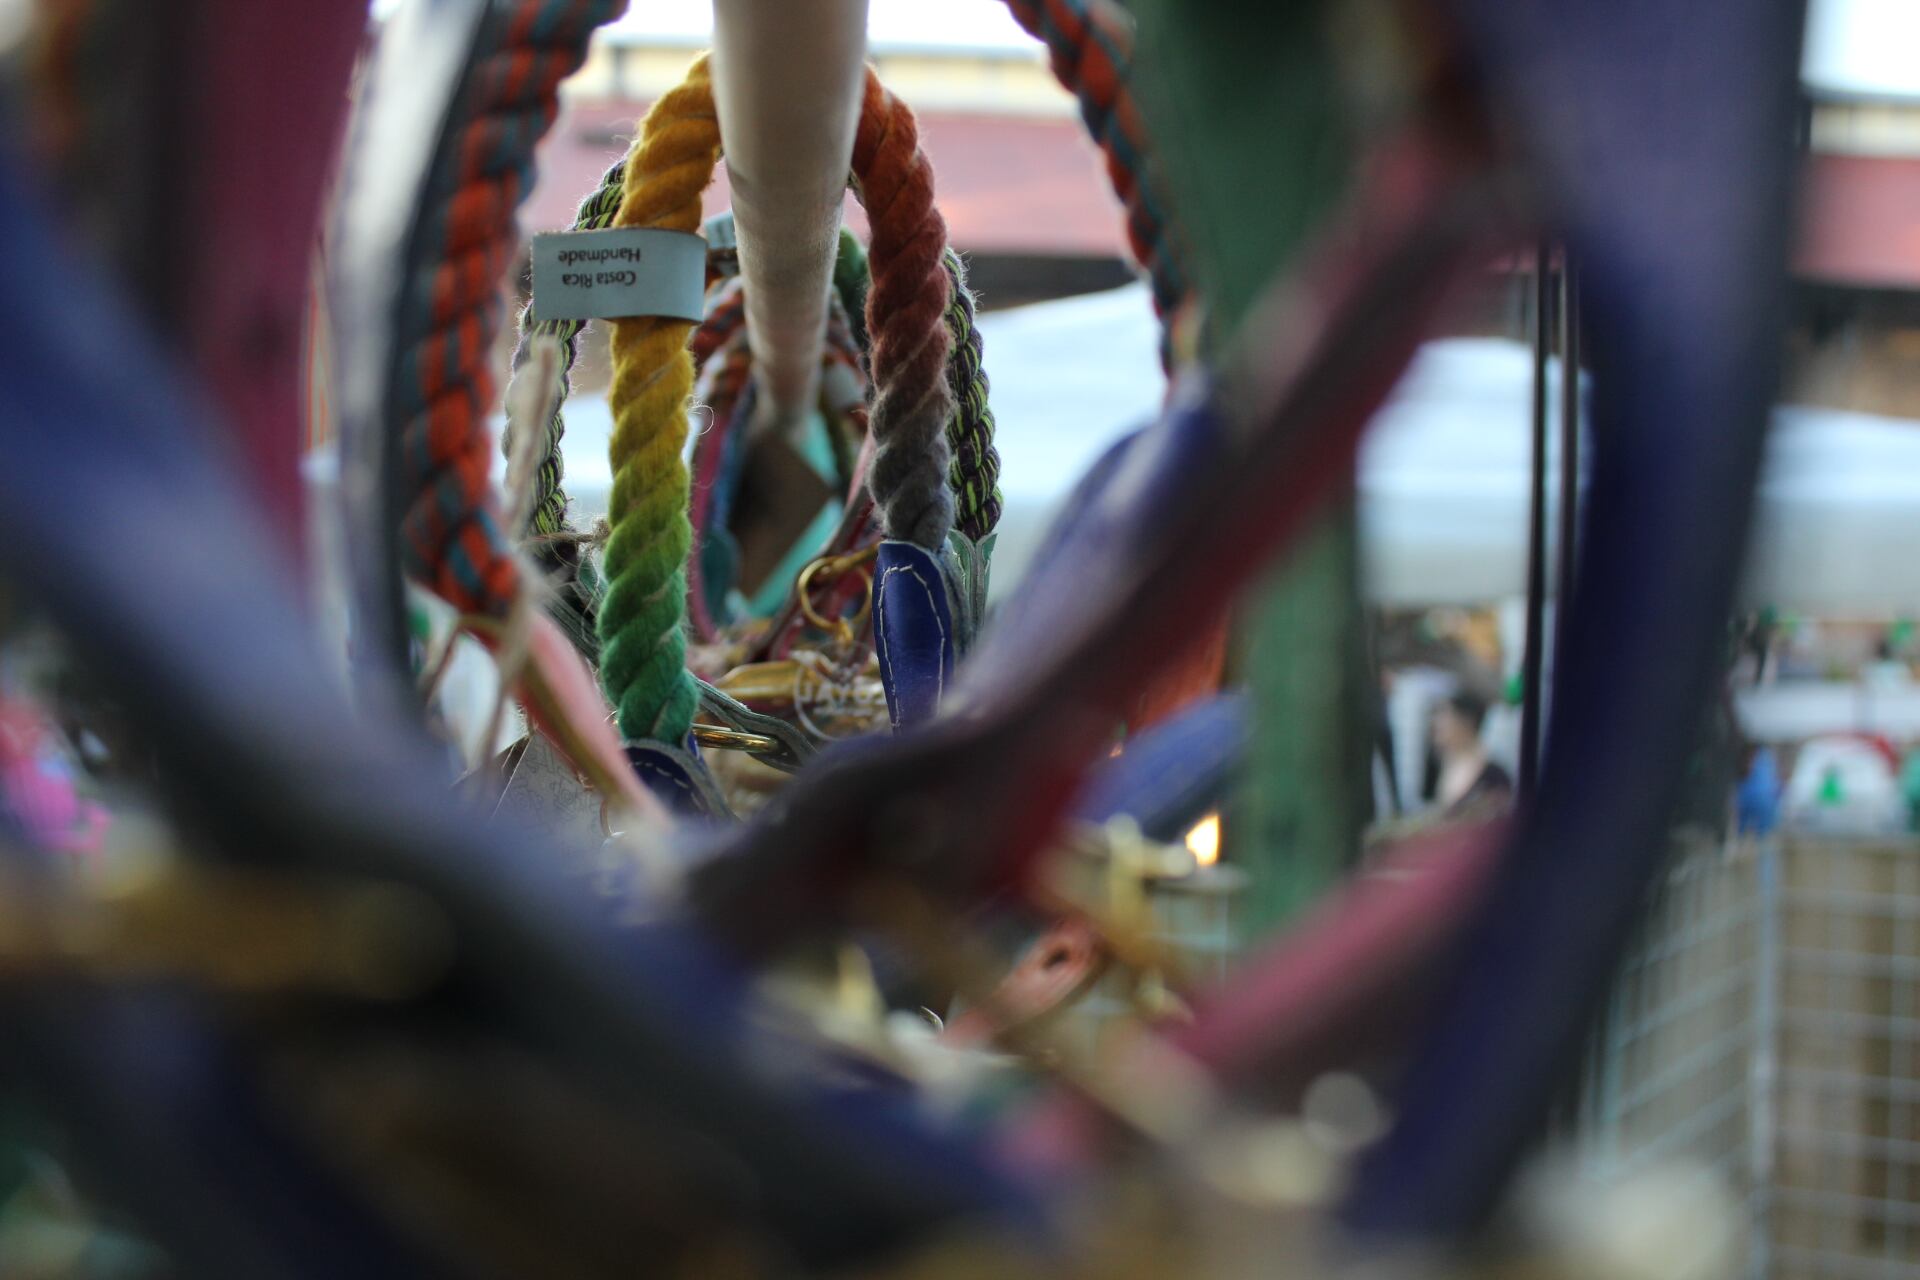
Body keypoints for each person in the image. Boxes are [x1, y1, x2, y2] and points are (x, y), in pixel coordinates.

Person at [1429, 690, 1513, 818]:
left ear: (1467, 721)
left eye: (1445, 715)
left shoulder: (1494, 774)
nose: (1437, 723)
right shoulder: (1442, 764)